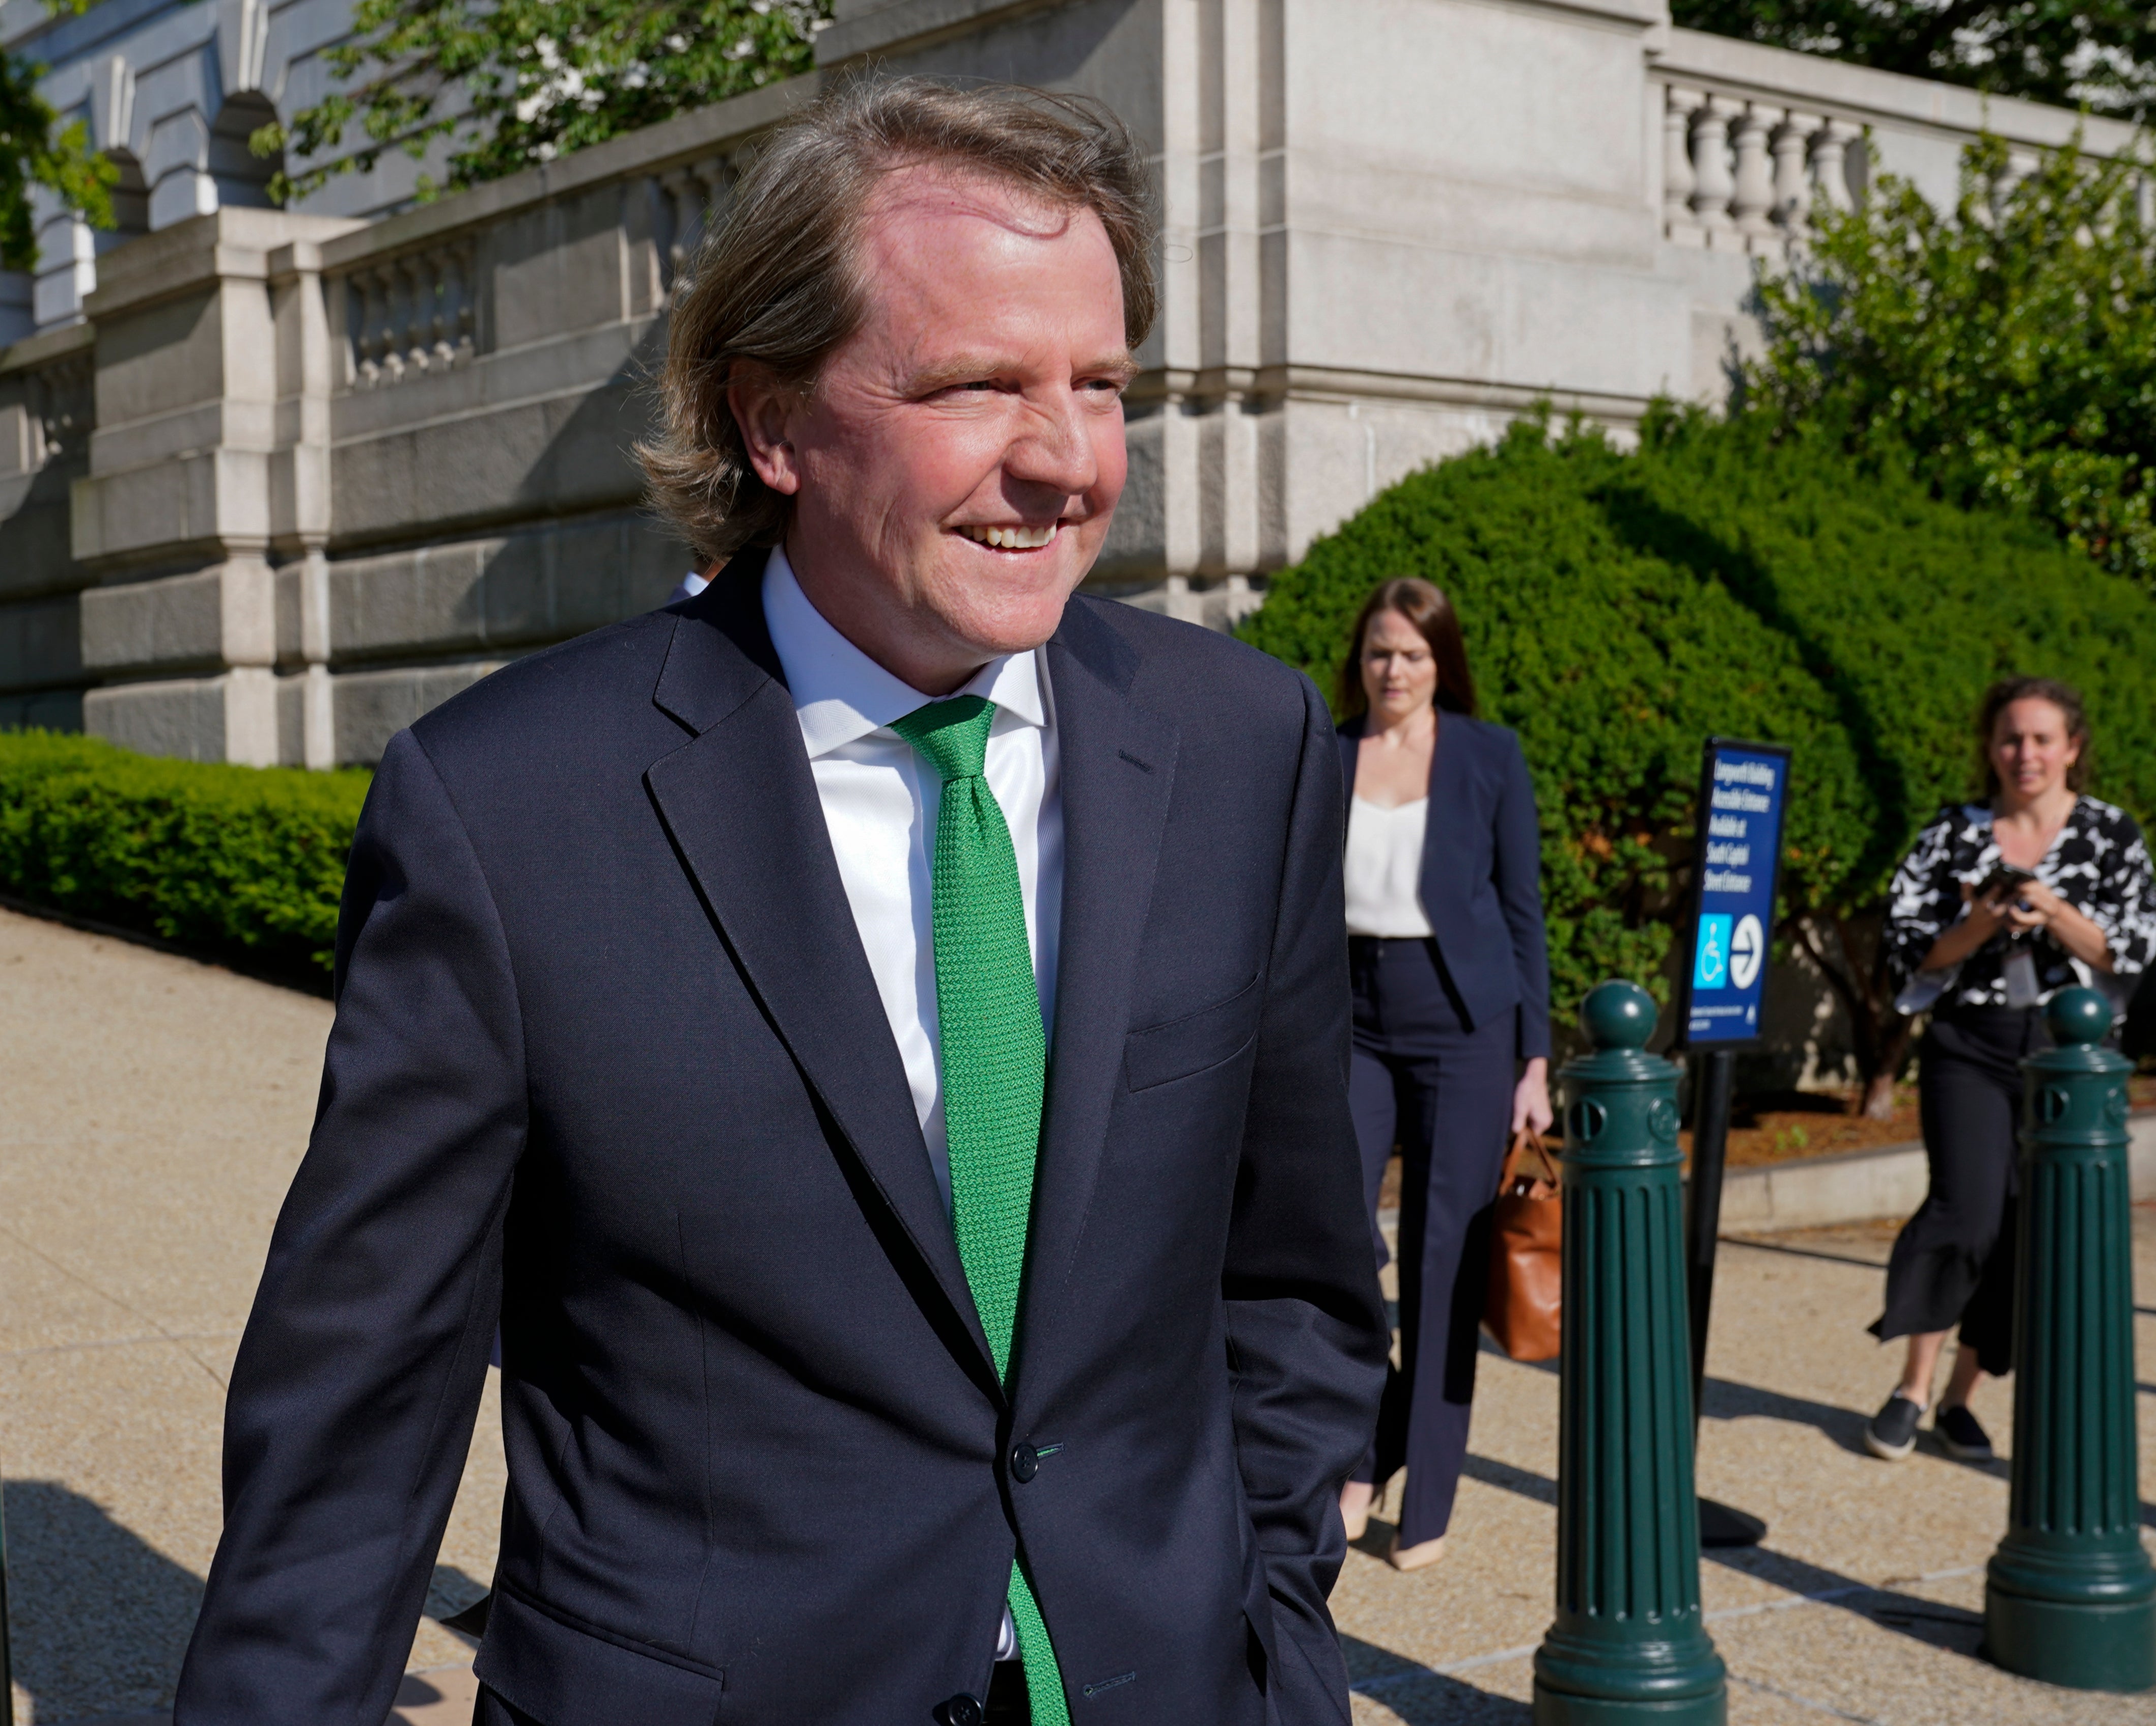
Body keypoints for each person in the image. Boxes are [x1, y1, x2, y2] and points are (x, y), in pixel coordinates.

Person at [172, 79, 1387, 1726]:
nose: (1065, 461)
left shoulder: (1247, 750)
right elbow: (358, 1417)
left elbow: (1289, 1273)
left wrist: (1273, 1630)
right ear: (772, 423)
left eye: (1096, 384)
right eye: (975, 385)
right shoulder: (511, 810)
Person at [1864, 676, 2156, 1463]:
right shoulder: (1951, 835)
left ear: (2071, 747)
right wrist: (1981, 921)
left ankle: (1964, 1395)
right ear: (1989, 748)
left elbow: (2128, 952)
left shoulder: (2110, 834)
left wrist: (2053, 908)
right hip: (1971, 1039)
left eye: (2040, 738)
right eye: (2009, 738)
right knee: (1966, 1211)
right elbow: (1908, 952)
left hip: (2069, 1057)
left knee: (2027, 1229)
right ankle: (1911, 1387)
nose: (2024, 753)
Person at [1327, 578, 1551, 1572]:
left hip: (1463, 1023)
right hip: (1351, 1016)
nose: (1393, 671)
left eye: (1412, 655)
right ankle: (1361, 1447)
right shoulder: (1327, 753)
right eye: (1379, 652)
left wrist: (1533, 1059)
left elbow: (1520, 910)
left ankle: (1430, 1493)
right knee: (1330, 1239)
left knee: (1442, 1253)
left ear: (1439, 663)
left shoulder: (1487, 756)